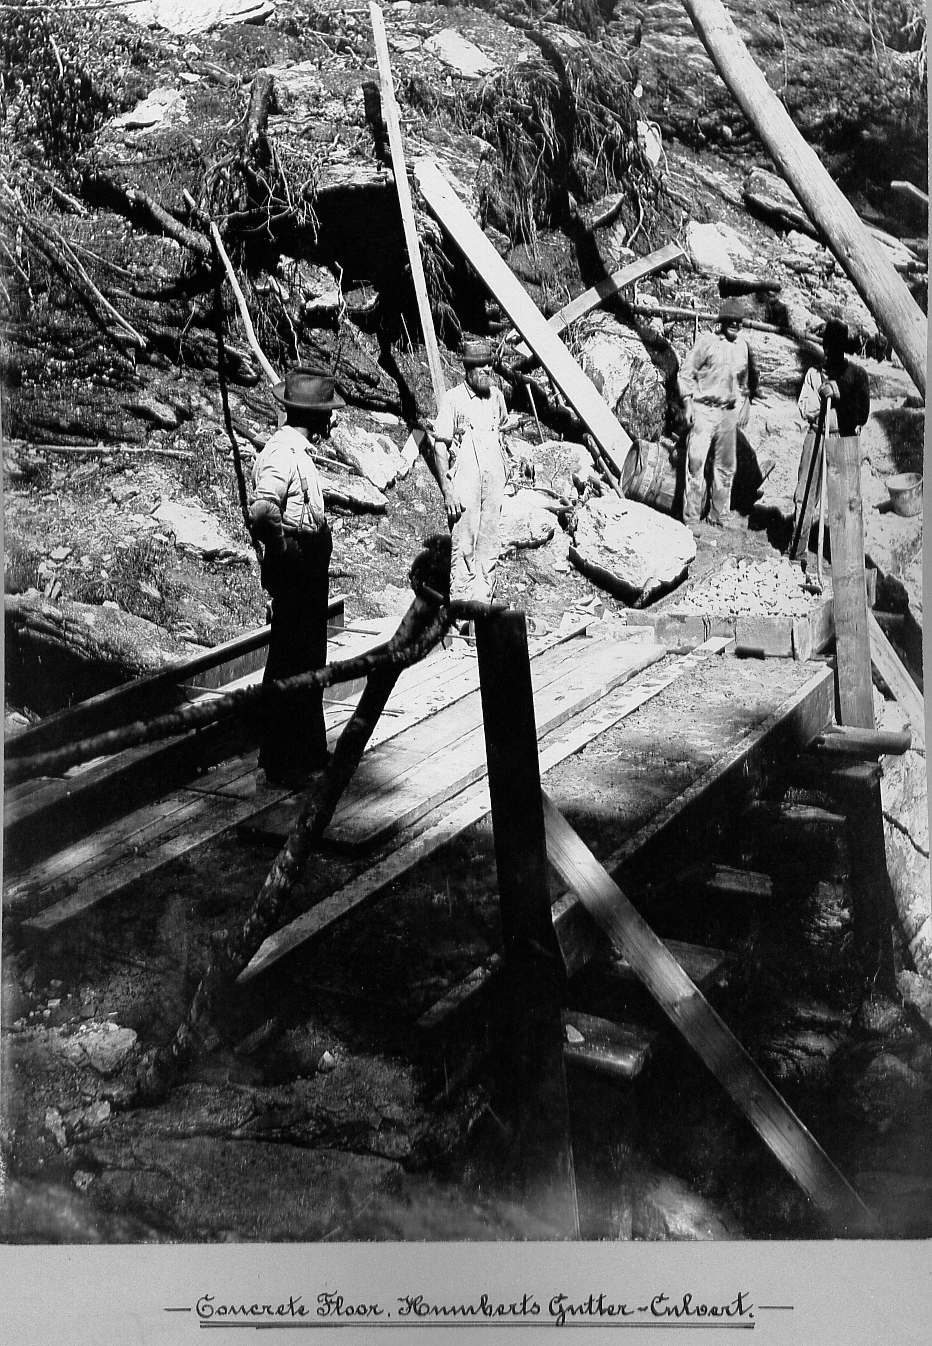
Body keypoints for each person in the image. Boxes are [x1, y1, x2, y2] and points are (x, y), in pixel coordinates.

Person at [248, 365, 341, 788]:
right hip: (296, 569)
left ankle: (305, 751)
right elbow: (263, 509)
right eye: (327, 413)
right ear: (313, 416)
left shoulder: (297, 451)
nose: (331, 420)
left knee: (306, 657)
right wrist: (286, 551)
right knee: (291, 659)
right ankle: (285, 760)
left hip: (306, 568)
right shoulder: (283, 455)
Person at [428, 339, 510, 604]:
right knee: (464, 546)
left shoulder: (496, 397)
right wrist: (447, 491)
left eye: (489, 364)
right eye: (480, 365)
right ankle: (462, 612)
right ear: (468, 368)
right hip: (465, 482)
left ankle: (482, 607)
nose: (487, 369)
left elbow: (502, 432)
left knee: (489, 544)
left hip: (493, 481)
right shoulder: (453, 399)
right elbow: (440, 447)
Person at [678, 296, 759, 533]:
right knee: (695, 463)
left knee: (725, 468)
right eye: (731, 320)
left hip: (728, 413)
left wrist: (746, 404)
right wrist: (688, 404)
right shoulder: (706, 343)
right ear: (722, 321)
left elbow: (745, 381)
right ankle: (691, 518)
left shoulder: (742, 347)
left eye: (739, 321)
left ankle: (719, 515)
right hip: (704, 409)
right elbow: (686, 373)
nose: (735, 324)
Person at [793, 317, 870, 531]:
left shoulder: (857, 375)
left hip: (843, 439)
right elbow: (805, 410)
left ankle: (845, 560)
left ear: (843, 349)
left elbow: (862, 413)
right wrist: (821, 397)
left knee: (846, 501)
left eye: (837, 348)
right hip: (816, 436)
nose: (832, 352)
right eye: (829, 347)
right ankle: (797, 549)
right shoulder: (813, 374)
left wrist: (837, 393)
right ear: (825, 347)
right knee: (804, 494)